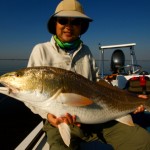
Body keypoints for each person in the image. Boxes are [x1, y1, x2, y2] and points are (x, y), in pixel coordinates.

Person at [27, 0, 150, 149]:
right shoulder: (41, 51)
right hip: (58, 122)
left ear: (81, 27)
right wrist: (48, 116)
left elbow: (98, 83)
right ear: (55, 24)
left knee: (143, 141)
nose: (68, 26)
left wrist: (133, 99)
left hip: (98, 116)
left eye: (75, 22)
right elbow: (31, 95)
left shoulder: (86, 51)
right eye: (63, 20)